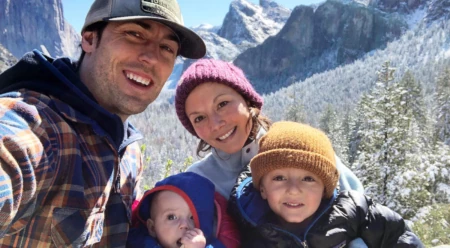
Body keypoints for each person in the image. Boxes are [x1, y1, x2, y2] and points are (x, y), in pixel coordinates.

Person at [0, 0, 206, 246]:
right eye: (134, 34)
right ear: (89, 38)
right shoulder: (38, 127)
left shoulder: (129, 153)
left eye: (167, 48)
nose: (151, 57)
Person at [174, 58, 364, 200]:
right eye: (199, 118)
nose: (215, 124)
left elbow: (360, 217)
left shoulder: (300, 146)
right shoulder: (197, 182)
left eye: (222, 104)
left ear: (247, 100)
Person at [230, 121, 424, 247]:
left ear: (325, 188)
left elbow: (399, 237)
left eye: (308, 179)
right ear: (262, 189)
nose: (294, 190)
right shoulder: (250, 225)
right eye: (279, 178)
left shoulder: (352, 210)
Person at [127, 172, 240, 248]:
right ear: (152, 228)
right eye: (172, 217)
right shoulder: (139, 242)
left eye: (192, 217)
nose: (184, 225)